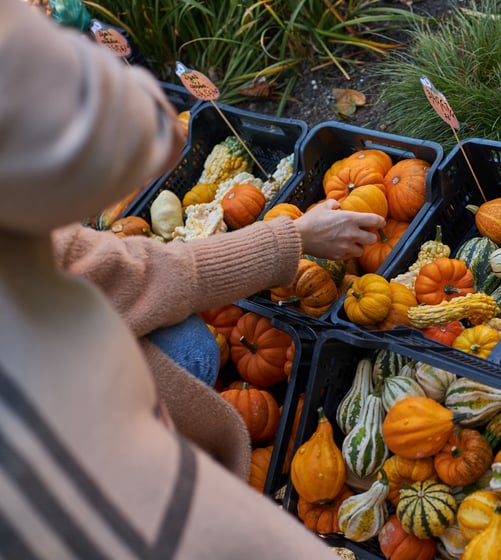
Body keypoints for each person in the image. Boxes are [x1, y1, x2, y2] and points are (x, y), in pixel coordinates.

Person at [0, 2, 382, 557]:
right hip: (69, 481)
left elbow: (136, 273)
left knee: (187, 342)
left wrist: (292, 239)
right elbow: (143, 131)